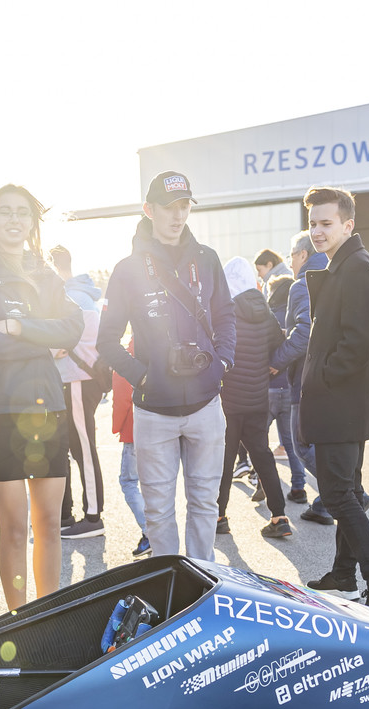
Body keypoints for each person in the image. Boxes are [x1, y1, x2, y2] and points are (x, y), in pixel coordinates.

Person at [0, 184, 84, 609]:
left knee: (50, 525)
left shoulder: (43, 272)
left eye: (23, 212)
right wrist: (43, 339)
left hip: (47, 408)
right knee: (14, 529)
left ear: (32, 222)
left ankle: (46, 617)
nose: (14, 219)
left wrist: (16, 326)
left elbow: (72, 328)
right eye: (6, 211)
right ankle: (18, 619)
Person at [97, 171, 235, 562]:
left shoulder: (207, 259)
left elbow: (226, 315)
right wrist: (142, 376)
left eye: (184, 206)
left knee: (205, 504)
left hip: (206, 405)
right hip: (154, 410)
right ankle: (168, 585)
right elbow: (106, 341)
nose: (178, 216)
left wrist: (223, 361)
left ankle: (202, 581)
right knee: (158, 512)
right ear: (149, 210)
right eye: (169, 207)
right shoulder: (127, 269)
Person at [297, 186, 369, 612]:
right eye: (313, 224)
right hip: (342, 402)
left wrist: (322, 378)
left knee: (338, 494)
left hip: (340, 403)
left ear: (348, 224)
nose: (317, 231)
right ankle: (344, 577)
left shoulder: (356, 266)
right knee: (348, 490)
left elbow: (357, 342)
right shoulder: (343, 264)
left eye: (326, 223)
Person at [218, 256, 293, 540]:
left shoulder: (225, 312)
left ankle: (219, 516)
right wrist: (268, 371)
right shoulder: (265, 311)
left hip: (229, 400)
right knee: (262, 455)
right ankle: (279, 516)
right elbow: (279, 346)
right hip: (258, 398)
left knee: (225, 460)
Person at [48, 245, 107, 540]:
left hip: (78, 380)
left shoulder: (75, 297)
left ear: (55, 267)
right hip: (74, 380)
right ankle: (67, 515)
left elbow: (63, 341)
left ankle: (93, 517)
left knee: (83, 448)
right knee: (70, 447)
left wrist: (51, 344)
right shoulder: (77, 293)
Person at [281, 236, 334, 521]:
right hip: (331, 375)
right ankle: (326, 502)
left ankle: (346, 490)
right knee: (323, 443)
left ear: (302, 255)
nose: (289, 262)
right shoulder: (333, 275)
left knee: (301, 444)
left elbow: (304, 333)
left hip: (306, 379)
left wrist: (276, 361)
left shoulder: (303, 285)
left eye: (291, 255)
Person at [110, 366, 150, 558]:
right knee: (156, 484)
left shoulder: (124, 361)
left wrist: (116, 426)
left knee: (129, 482)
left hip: (132, 430)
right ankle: (158, 532)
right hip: (158, 429)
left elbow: (121, 400)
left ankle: (149, 531)